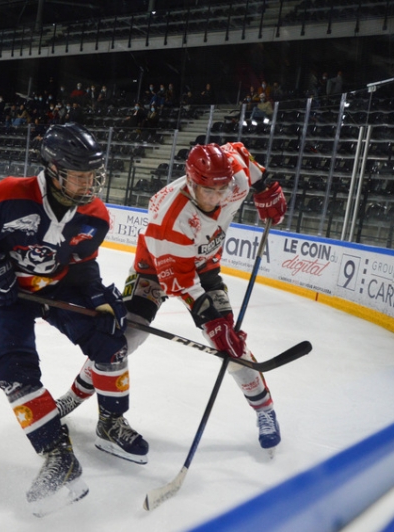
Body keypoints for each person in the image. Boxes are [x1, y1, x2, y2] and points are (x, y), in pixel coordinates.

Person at [0, 123, 148, 515]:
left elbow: (83, 262)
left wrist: (99, 298)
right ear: (54, 170)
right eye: (81, 174)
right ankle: (58, 453)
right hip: (8, 290)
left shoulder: (95, 215)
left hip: (60, 288)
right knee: (14, 372)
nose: (91, 182)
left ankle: (111, 422)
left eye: (94, 174)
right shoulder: (8, 195)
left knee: (111, 341)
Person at [55, 142, 288, 455]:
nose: (217, 197)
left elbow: (242, 155)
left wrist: (267, 185)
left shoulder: (233, 176)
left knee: (232, 348)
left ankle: (265, 411)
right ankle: (74, 396)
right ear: (191, 183)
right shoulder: (171, 218)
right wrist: (213, 322)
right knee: (124, 338)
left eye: (222, 188)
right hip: (154, 267)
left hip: (205, 267)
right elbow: (179, 282)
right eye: (208, 190)